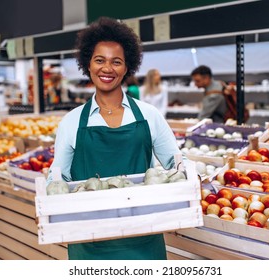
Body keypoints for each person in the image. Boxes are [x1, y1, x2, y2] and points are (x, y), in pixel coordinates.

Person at [47, 17, 181, 260]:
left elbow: (176, 166)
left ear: (127, 67)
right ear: (87, 64)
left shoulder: (150, 116)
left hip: (144, 239)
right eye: (99, 60)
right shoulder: (71, 122)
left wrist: (194, 181)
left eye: (116, 62)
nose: (107, 69)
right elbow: (58, 178)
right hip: (88, 243)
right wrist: (47, 202)